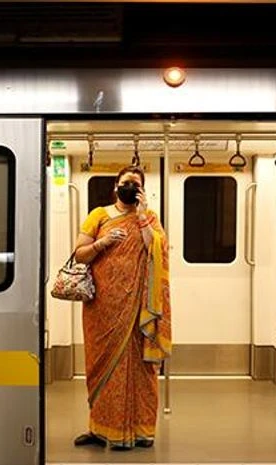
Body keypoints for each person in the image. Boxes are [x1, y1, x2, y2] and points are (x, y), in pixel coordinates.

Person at [71, 165, 172, 451]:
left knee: (141, 368)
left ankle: (141, 431)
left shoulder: (149, 218)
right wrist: (103, 243)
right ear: (116, 186)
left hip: (139, 307)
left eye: (136, 184)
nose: (130, 187)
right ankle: (99, 428)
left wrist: (141, 217)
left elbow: (157, 250)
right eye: (126, 183)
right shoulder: (99, 215)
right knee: (101, 365)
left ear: (141, 190)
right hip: (102, 306)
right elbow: (79, 254)